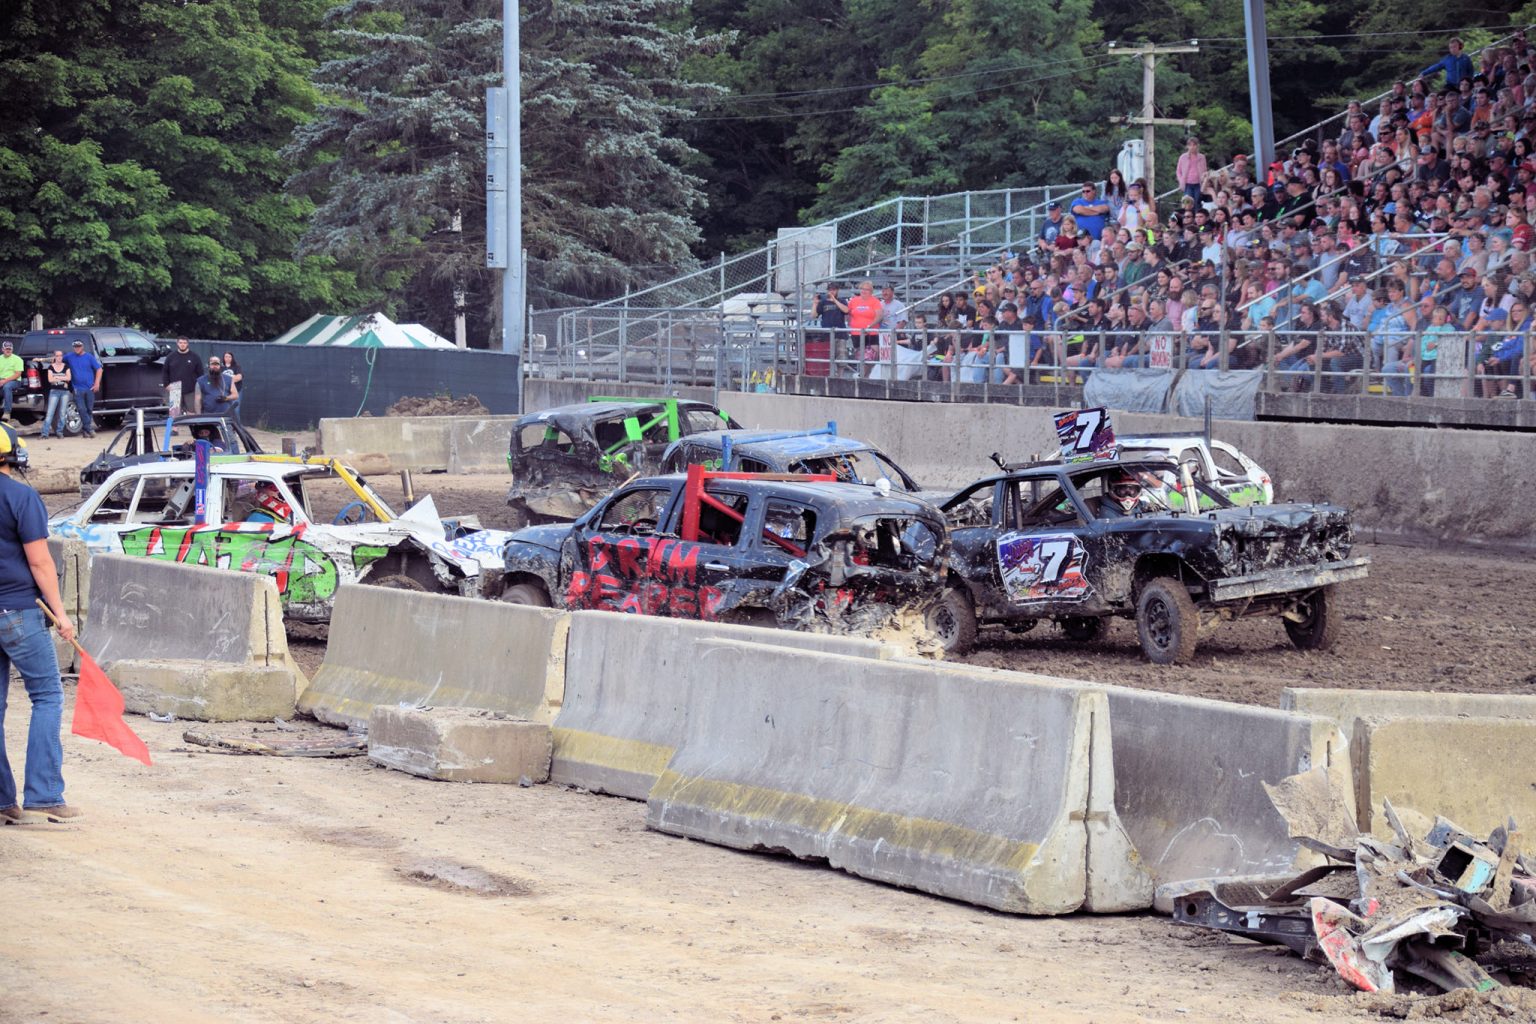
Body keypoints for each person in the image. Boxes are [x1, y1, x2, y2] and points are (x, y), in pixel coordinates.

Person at [0, 422, 79, 824]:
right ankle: (44, 794)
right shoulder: (22, 497)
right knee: (47, 695)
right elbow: (40, 561)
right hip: (19, 612)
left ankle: (2, 804)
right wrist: (62, 615)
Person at [62, 339, 102, 438]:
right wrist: (41, 359)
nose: (77, 348)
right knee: (81, 409)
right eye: (75, 347)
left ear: (82, 347)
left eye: (79, 346)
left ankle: (85, 430)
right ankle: (90, 429)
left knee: (89, 409)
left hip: (90, 388)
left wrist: (97, 383)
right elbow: (58, 359)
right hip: (77, 388)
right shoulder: (69, 356)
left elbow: (99, 369)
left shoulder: (89, 357)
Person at [160, 337, 201, 414]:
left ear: (187, 344)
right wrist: (166, 385)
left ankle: (191, 426)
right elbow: (165, 371)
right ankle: (174, 426)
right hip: (174, 389)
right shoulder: (170, 357)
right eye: (181, 343)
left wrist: (198, 387)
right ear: (177, 343)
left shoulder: (195, 357)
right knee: (174, 414)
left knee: (191, 413)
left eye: (185, 343)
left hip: (191, 390)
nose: (182, 345)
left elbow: (200, 373)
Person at [38, 351, 71, 440]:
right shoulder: (51, 367)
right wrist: (63, 378)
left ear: (62, 356)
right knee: (50, 413)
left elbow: (69, 378)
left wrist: (57, 377)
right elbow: (50, 379)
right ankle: (45, 433)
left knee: (62, 413)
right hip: (54, 391)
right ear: (54, 357)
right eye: (57, 356)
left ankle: (59, 432)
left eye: (60, 355)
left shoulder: (66, 366)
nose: (59, 357)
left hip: (65, 392)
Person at [1177, 137, 1209, 202]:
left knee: (1197, 202)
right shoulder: (1183, 157)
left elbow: (1205, 170)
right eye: (1190, 145)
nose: (1192, 147)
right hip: (1187, 184)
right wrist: (1181, 180)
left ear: (1197, 146)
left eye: (1194, 145)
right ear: (1187, 146)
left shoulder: (1202, 157)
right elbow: (1178, 171)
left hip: (1198, 183)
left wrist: (1205, 180)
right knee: (1188, 202)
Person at [0, 341, 22, 423]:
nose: (8, 350)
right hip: (2, 380)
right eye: (6, 349)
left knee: (7, 386)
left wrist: (4, 381)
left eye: (10, 349)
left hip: (14, 381)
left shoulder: (17, 359)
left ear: (12, 350)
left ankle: (7, 412)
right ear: (2, 349)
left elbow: (18, 374)